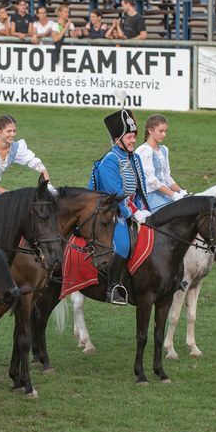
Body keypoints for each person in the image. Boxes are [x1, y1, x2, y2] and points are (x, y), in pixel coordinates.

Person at [87, 109, 150, 305]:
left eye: (134, 137)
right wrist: (134, 213)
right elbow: (116, 194)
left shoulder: (135, 159)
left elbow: (140, 190)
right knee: (123, 244)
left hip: (131, 208)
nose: (133, 141)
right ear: (117, 140)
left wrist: (143, 209)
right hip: (109, 211)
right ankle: (112, 288)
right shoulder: (109, 161)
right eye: (129, 137)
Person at [135, 115, 186, 212]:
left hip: (165, 193)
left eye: (165, 131)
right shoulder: (144, 150)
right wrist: (173, 194)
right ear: (150, 130)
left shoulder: (164, 150)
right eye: (161, 131)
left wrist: (181, 191)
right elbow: (152, 181)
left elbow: (167, 177)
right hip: (150, 196)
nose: (164, 134)